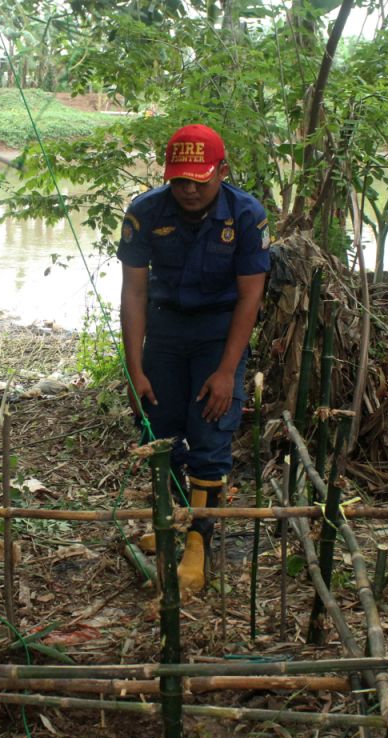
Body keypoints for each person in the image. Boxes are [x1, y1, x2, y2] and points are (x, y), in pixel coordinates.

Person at [118, 124, 270, 595]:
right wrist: (135, 367)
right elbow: (134, 291)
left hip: (218, 334)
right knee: (159, 431)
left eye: (199, 181)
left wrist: (227, 370)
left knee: (208, 434)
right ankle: (172, 521)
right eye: (179, 179)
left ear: (222, 172)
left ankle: (198, 542)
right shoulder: (145, 212)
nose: (187, 189)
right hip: (163, 331)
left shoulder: (246, 215)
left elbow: (250, 298)